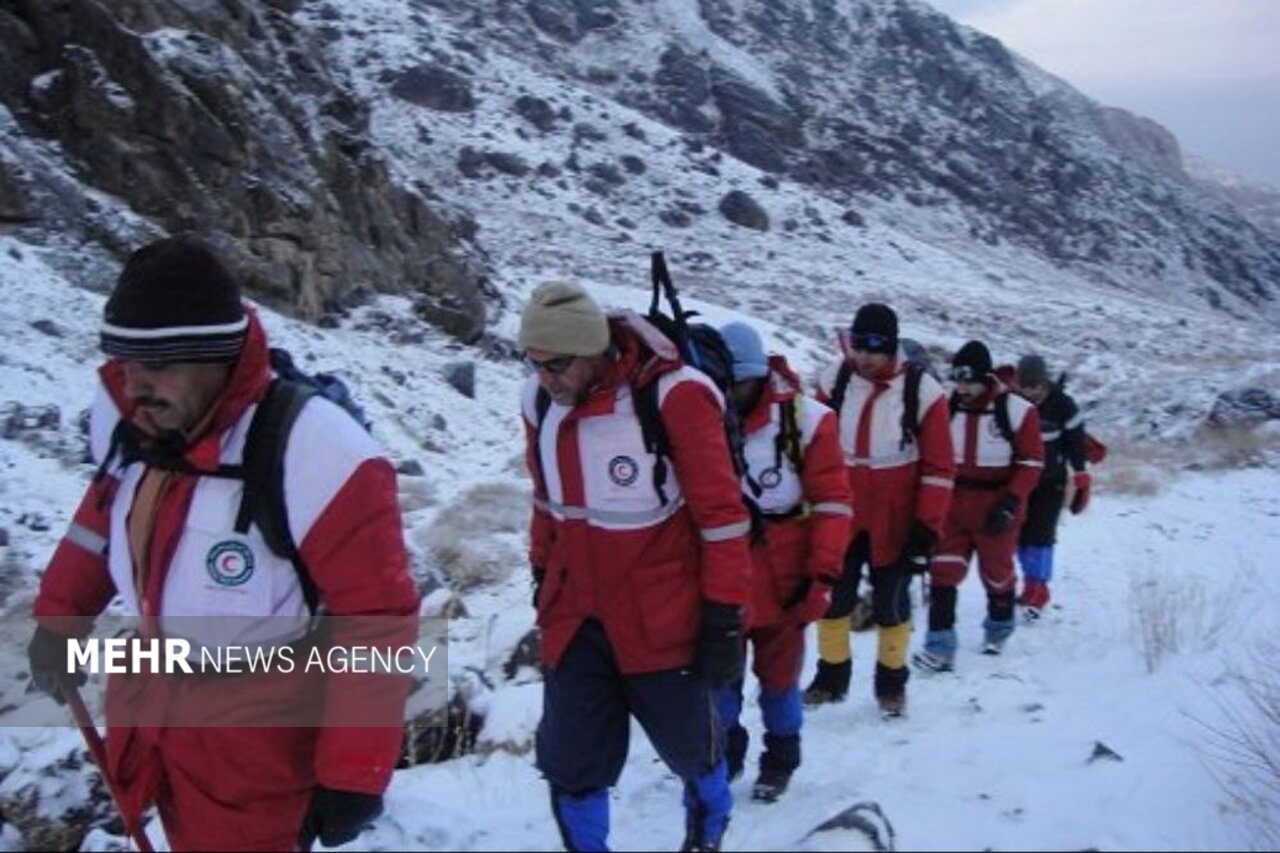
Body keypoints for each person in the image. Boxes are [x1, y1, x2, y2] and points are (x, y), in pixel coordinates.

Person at [25, 235, 420, 850]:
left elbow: (376, 621)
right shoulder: (141, 423)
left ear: (216, 357)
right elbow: (97, 522)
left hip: (258, 745)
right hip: (155, 713)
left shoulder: (319, 449)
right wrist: (59, 620)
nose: (133, 386)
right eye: (125, 362)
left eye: (156, 365)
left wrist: (354, 771)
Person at [520, 282, 753, 852]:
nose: (543, 376)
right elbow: (547, 501)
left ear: (594, 349)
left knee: (695, 754)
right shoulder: (540, 401)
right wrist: (541, 574)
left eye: (556, 363)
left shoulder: (675, 396)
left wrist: (724, 616)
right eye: (531, 361)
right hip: (576, 618)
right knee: (572, 765)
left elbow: (722, 519)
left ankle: (705, 838)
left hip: (663, 622)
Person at [713, 321, 852, 802]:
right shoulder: (696, 420)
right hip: (722, 575)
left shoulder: (809, 422)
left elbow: (833, 503)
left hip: (787, 575)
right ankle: (724, 752)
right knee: (719, 679)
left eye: (738, 384)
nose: (730, 395)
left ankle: (781, 758)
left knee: (780, 680)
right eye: (722, 384)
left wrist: (822, 575)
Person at [804, 304, 954, 717]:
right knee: (832, 597)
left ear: (890, 347)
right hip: (842, 508)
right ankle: (830, 677)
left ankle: (891, 685)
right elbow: (810, 441)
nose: (865, 357)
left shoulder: (922, 392)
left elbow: (940, 468)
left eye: (874, 348)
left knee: (891, 603)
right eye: (858, 346)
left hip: (897, 516)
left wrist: (927, 528)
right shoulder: (834, 379)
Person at [914, 341, 1044, 672]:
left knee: (997, 574)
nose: (963, 387)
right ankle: (940, 648)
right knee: (942, 573)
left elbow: (1031, 462)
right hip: (953, 504)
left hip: (997, 505)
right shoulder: (944, 408)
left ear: (985, 377)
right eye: (957, 379)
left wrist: (1012, 500)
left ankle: (998, 630)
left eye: (969, 380)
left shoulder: (1016, 411)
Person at [1012, 354, 1091, 619]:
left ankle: (1039, 590)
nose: (1030, 392)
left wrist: (1081, 476)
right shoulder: (1012, 403)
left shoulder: (1063, 405)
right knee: (1020, 537)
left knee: (1041, 537)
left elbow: (1076, 443)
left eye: (1034, 386)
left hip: (1051, 481)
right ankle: (1029, 584)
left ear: (1044, 382)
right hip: (1021, 480)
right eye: (1025, 386)